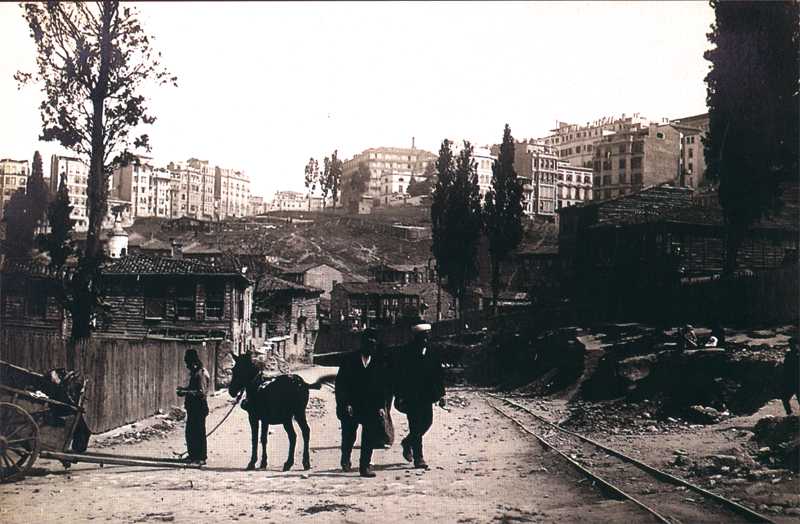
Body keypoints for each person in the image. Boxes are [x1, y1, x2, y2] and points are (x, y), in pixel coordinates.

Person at [335, 330, 388, 477]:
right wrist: (346, 403)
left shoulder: (378, 361)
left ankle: (364, 466)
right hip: (352, 404)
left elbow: (382, 385)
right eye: (369, 344)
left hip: (371, 405)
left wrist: (381, 406)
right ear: (363, 344)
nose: (372, 348)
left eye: (374, 345)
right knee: (349, 435)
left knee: (369, 435)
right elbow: (341, 384)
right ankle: (345, 458)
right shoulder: (349, 359)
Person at [395, 321, 445, 470]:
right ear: (415, 337)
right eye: (422, 336)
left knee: (427, 422)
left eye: (427, 336)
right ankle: (419, 458)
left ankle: (407, 442)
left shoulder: (432, 351)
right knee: (415, 425)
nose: (425, 339)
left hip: (427, 395)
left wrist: (442, 395)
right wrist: (399, 395)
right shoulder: (406, 352)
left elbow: (438, 375)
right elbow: (399, 375)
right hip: (411, 396)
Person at [177, 349, 210, 465]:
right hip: (193, 408)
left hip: (199, 408)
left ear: (193, 362)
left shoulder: (200, 373)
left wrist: (185, 392)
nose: (187, 366)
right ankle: (193, 455)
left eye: (188, 363)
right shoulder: (196, 372)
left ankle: (201, 457)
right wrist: (185, 390)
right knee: (191, 432)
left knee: (198, 433)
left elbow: (201, 392)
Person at [781, 337, 799, 415]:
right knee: (785, 398)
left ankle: (790, 415)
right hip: (791, 381)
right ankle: (790, 414)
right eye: (791, 345)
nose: (792, 346)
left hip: (796, 381)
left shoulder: (791, 355)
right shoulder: (788, 355)